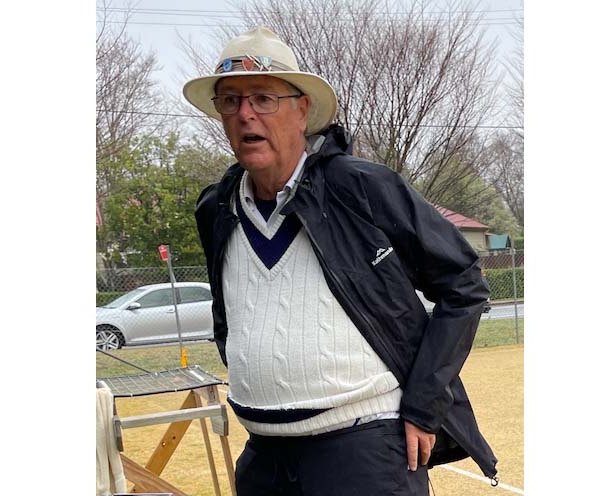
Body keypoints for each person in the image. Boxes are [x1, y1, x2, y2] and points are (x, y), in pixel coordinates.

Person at [184, 27, 497, 495]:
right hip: (263, 458)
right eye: (230, 101)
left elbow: (464, 284)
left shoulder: (360, 188)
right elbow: (230, 314)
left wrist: (423, 405)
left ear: (301, 109)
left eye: (263, 98)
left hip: (362, 453)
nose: (245, 113)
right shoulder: (216, 208)